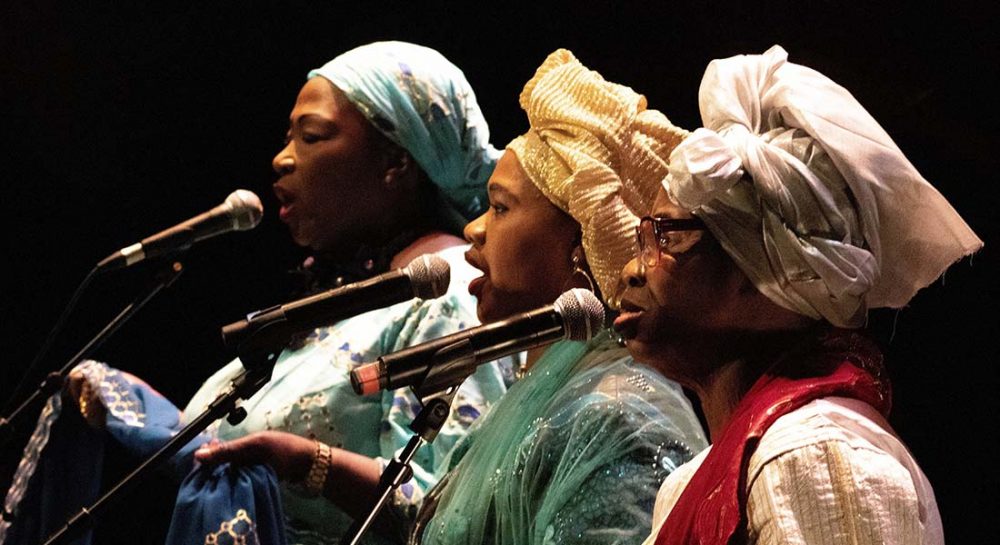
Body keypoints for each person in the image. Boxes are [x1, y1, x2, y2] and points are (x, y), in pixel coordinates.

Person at [3, 41, 509, 545]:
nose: (282, 159)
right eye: (287, 137)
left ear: (396, 161)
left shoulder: (450, 293)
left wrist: (307, 463)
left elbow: (453, 514)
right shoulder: (337, 301)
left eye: (311, 135)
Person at [613, 46, 982, 545]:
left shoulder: (816, 455)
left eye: (667, 237)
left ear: (763, 272)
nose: (632, 269)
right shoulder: (697, 481)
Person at [408, 49, 707, 545]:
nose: (473, 229)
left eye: (500, 208)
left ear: (581, 243)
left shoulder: (619, 419)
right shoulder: (548, 390)